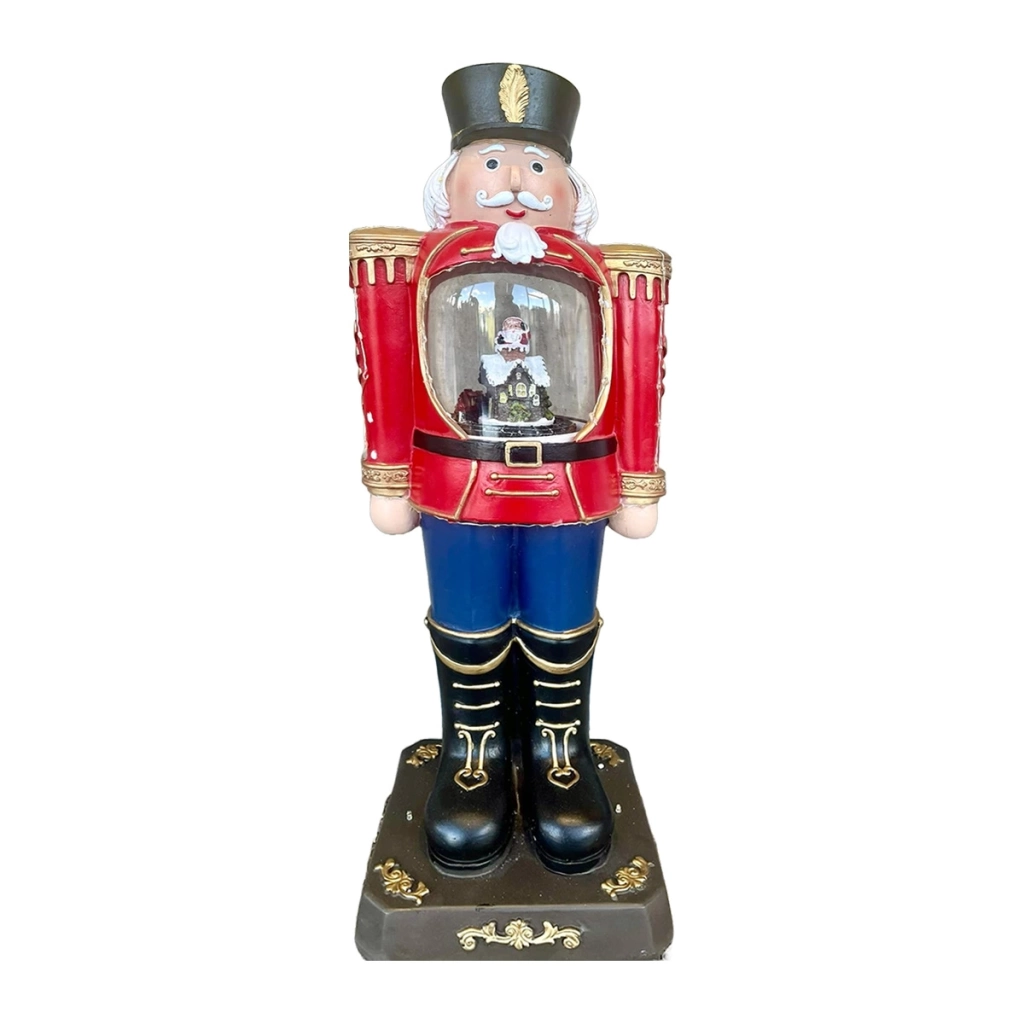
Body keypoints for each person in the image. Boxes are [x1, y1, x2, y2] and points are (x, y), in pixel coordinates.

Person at [349, 63, 670, 873]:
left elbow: (637, 373)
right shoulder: (418, 264)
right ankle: (475, 755)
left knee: (561, 620)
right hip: (459, 481)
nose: (515, 184)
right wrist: (389, 475)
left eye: (535, 165)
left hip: (572, 481)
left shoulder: (606, 274)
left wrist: (638, 481)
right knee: (470, 618)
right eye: (492, 163)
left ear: (570, 187)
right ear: (451, 181)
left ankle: (560, 755)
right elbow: (388, 364)